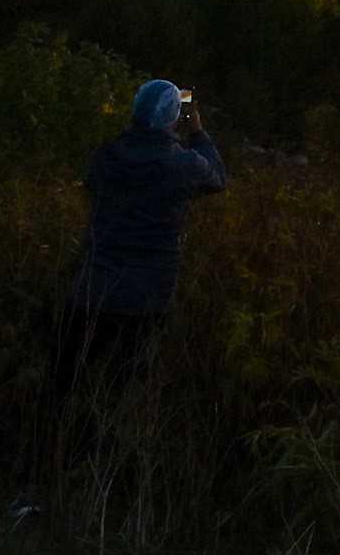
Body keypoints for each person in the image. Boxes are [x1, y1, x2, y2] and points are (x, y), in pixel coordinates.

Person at [54, 79, 227, 392]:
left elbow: (93, 184)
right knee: (125, 385)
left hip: (92, 290)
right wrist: (197, 131)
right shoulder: (182, 165)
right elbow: (217, 179)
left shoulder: (106, 156)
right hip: (147, 298)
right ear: (175, 117)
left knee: (66, 385)